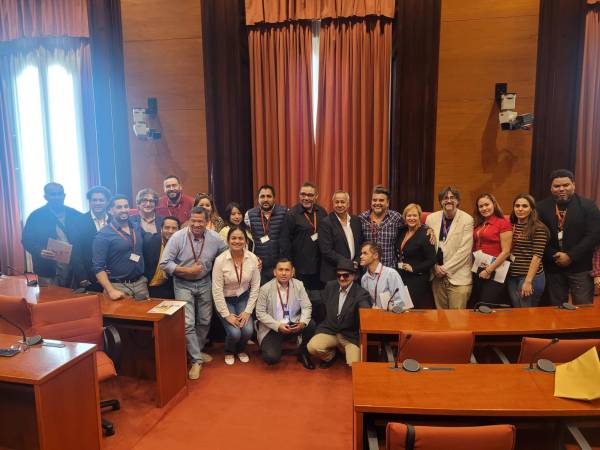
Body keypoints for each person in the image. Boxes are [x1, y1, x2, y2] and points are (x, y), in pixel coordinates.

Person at [160, 206, 227, 379]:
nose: (196, 224)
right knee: (188, 323)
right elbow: (165, 263)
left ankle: (194, 351)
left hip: (205, 282)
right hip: (183, 283)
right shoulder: (178, 237)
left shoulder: (215, 238)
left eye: (200, 221)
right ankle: (196, 360)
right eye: (193, 221)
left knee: (205, 320)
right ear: (189, 220)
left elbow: (227, 254)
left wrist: (251, 259)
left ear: (207, 222)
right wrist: (187, 270)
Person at [537, 169, 600, 305]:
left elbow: (593, 236)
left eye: (566, 185)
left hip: (581, 267)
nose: (561, 189)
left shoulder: (588, 206)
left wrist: (570, 256)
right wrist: (554, 255)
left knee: (583, 310)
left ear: (573, 185)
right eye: (557, 186)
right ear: (551, 187)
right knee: (556, 310)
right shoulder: (541, 208)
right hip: (553, 267)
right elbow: (537, 238)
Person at [307, 260, 371, 367]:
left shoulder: (361, 294)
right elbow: (317, 295)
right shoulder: (331, 286)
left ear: (353, 276)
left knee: (354, 364)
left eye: (345, 275)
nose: (341, 278)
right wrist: (298, 289)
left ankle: (343, 350)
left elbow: (365, 309)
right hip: (330, 331)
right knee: (312, 347)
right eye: (338, 275)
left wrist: (366, 309)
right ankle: (331, 355)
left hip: (350, 337)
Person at [212, 226, 261, 365]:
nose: (237, 241)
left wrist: (247, 311)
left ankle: (240, 350)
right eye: (233, 238)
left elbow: (256, 286)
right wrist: (227, 314)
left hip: (243, 298)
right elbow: (216, 290)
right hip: (225, 299)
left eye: (240, 238)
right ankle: (229, 350)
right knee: (235, 333)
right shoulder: (220, 260)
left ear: (245, 241)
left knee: (248, 331)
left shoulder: (252, 258)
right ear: (228, 240)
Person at [255, 259, 316, 369]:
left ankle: (303, 352)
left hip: (293, 323)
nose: (283, 273)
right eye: (281, 270)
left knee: (310, 324)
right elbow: (260, 313)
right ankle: (270, 342)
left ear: (292, 272)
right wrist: (278, 326)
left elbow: (306, 306)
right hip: (273, 327)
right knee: (271, 358)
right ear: (275, 272)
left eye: (287, 270)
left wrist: (302, 322)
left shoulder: (299, 285)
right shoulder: (265, 289)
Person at [22, 182, 83, 287]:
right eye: (53, 194)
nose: (57, 197)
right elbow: (27, 240)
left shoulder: (75, 214)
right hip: (47, 267)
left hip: (74, 266)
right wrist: (40, 251)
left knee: (74, 300)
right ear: (45, 197)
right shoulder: (36, 216)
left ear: (64, 195)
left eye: (59, 194)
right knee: (50, 299)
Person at [92, 195, 149, 301]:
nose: (124, 210)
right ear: (110, 210)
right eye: (119, 207)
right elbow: (98, 267)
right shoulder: (103, 234)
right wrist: (110, 291)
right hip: (117, 286)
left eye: (126, 206)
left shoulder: (136, 227)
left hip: (141, 284)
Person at [425, 187, 474, 309]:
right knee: (441, 318)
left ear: (458, 201)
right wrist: (434, 267)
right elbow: (427, 246)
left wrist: (444, 269)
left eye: (453, 198)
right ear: (440, 201)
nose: (449, 201)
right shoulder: (431, 218)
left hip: (458, 277)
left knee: (457, 320)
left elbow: (464, 251)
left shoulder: (467, 219)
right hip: (436, 276)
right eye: (445, 198)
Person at [280, 182, 328, 291]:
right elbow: (285, 243)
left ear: (316, 196)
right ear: (299, 195)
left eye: (310, 195)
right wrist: (289, 267)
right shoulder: (291, 214)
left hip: (320, 267)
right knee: (301, 301)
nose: (306, 198)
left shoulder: (322, 212)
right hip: (300, 268)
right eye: (303, 194)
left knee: (318, 300)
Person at [470, 194, 512, 306]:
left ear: (493, 204)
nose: (484, 208)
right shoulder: (479, 223)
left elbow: (506, 251)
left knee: (485, 306)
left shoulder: (503, 223)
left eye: (487, 205)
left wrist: (489, 270)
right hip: (478, 268)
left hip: (496, 270)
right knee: (475, 305)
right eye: (481, 206)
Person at [507, 194, 549, 307]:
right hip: (512, 276)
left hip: (529, 278)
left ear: (531, 209)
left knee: (527, 314)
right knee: (517, 312)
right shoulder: (511, 226)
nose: (520, 209)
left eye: (525, 206)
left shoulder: (538, 228)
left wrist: (528, 281)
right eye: (517, 206)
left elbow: (537, 256)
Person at [245, 184, 288, 284]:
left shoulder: (285, 212)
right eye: (262, 196)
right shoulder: (249, 215)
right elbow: (248, 243)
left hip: (279, 266)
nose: (265, 199)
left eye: (269, 196)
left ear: (274, 198)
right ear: (258, 198)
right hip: (259, 267)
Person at [396, 203, 436, 309]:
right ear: (405, 217)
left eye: (414, 215)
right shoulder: (402, 231)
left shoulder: (426, 234)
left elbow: (432, 259)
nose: (411, 218)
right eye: (409, 216)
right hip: (402, 276)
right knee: (403, 308)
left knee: (413, 310)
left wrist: (414, 268)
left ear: (419, 217)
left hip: (418, 279)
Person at [318, 190, 363, 283]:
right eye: (336, 202)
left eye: (342, 202)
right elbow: (326, 251)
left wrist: (357, 261)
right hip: (334, 274)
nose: (339, 205)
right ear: (333, 204)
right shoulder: (325, 223)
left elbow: (360, 245)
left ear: (348, 204)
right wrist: (349, 264)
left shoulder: (356, 220)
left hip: (354, 273)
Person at [76, 185, 112, 292]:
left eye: (101, 200)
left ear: (107, 202)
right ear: (89, 202)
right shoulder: (79, 221)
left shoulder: (114, 220)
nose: (97, 203)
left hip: (113, 274)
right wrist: (82, 276)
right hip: (90, 274)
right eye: (94, 200)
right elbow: (76, 251)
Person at [358, 185, 405, 268]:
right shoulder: (362, 218)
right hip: (368, 269)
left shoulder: (396, 217)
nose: (377, 203)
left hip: (389, 269)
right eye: (374, 200)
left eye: (381, 200)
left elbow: (412, 228)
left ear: (387, 203)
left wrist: (427, 229)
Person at [360, 241, 407, 310]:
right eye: (361, 253)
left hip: (391, 318)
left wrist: (386, 312)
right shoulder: (364, 279)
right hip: (372, 317)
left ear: (375, 255)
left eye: (365, 253)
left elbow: (403, 303)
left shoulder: (391, 274)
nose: (361, 256)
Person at [143, 216, 180, 299]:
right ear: (161, 229)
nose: (170, 231)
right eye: (167, 228)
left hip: (170, 286)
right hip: (150, 285)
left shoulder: (181, 244)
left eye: (174, 228)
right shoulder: (150, 241)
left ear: (179, 231)